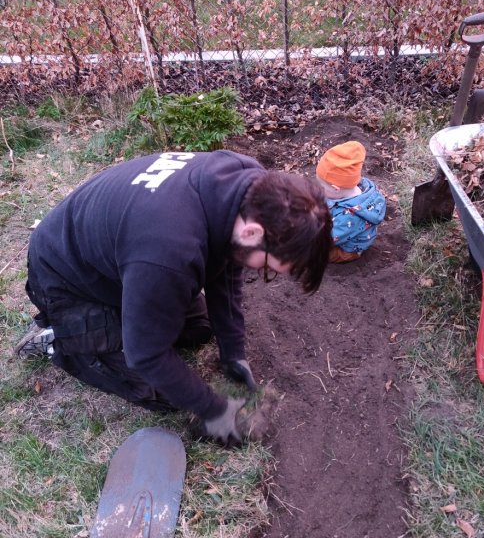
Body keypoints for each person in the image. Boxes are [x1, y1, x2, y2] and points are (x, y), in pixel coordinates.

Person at [15, 149, 332, 444]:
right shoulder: (169, 253)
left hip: (122, 261)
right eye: (269, 266)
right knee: (162, 389)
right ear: (253, 233)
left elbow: (228, 262)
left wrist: (233, 352)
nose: (266, 272)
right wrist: (214, 410)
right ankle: (59, 337)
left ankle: (112, 317)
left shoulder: (249, 185)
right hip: (66, 279)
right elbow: (147, 354)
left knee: (199, 327)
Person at [315, 140, 386, 263]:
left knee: (315, 252)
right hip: (342, 227)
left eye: (322, 187)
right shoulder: (357, 186)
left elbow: (326, 239)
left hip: (347, 248)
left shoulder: (350, 216)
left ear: (336, 189)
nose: (319, 189)